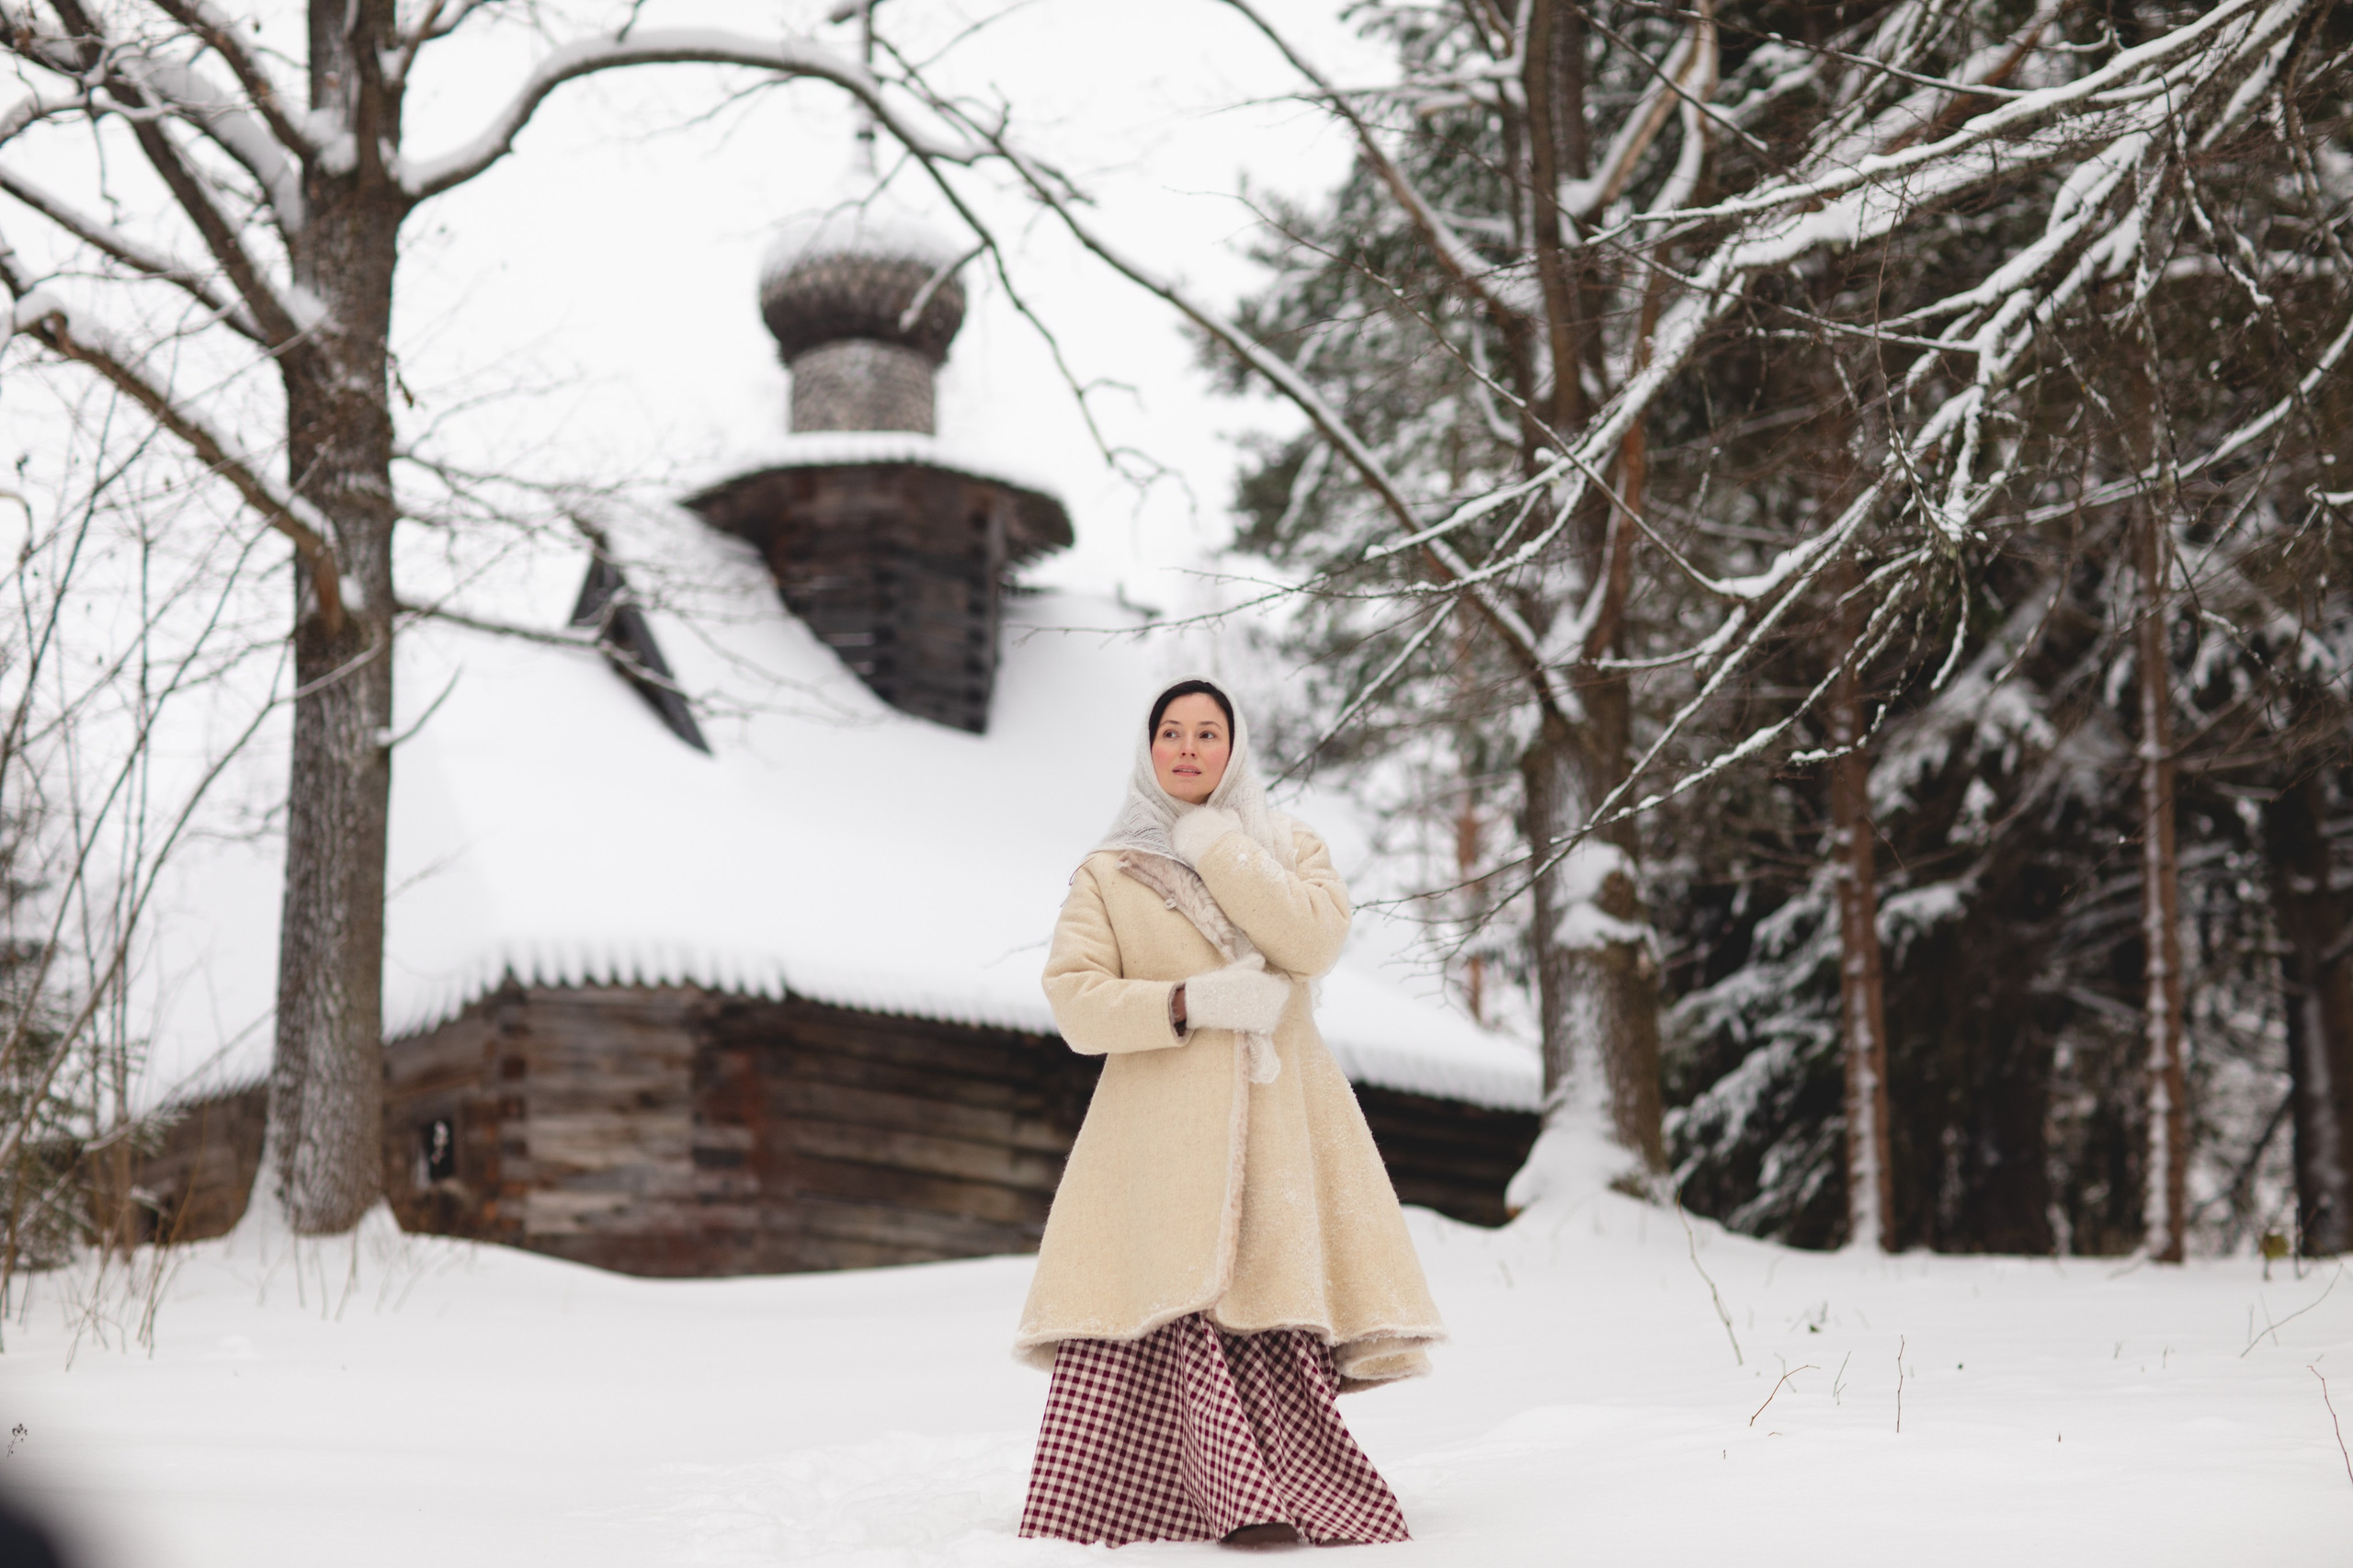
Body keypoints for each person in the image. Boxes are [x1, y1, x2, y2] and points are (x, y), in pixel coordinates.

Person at [1015, 677, 1443, 1550]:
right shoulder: (1109, 870)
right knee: (1155, 1294)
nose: (1186, 748)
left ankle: (1279, 1496)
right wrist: (1187, 1002)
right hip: (1155, 1134)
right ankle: (1129, 1504)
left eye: (1207, 733)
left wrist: (1218, 846)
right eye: (1170, 732)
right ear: (1147, 748)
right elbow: (1075, 1001)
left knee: (1266, 1290)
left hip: (1282, 1121)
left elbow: (1314, 942)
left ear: (1234, 747)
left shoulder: (1290, 845)